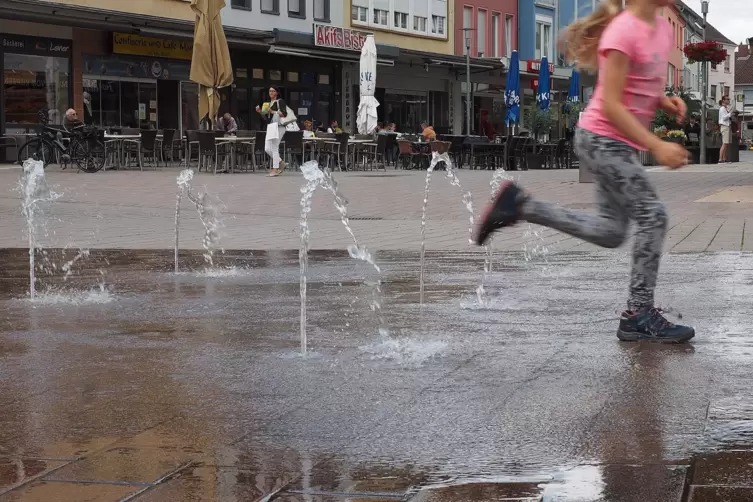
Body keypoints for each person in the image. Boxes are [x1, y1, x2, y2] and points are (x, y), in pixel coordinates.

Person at [475, 0, 695, 343]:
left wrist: (663, 99)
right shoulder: (624, 31)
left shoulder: (661, 28)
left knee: (611, 232)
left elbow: (637, 82)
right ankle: (638, 313)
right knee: (654, 217)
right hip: (602, 140)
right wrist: (656, 145)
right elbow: (610, 102)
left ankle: (521, 205)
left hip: (614, 143)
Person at [256, 87, 293, 177]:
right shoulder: (269, 103)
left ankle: (275, 169)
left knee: (274, 147)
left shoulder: (280, 101)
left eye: (273, 91)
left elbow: (284, 114)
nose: (271, 92)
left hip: (279, 126)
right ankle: (281, 162)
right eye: (270, 91)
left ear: (277, 93)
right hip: (271, 126)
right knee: (267, 148)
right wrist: (260, 112)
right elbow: (267, 119)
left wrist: (272, 111)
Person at [718, 96, 732, 164]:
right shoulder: (722, 108)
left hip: (727, 126)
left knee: (726, 143)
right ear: (723, 100)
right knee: (724, 143)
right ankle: (720, 159)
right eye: (727, 99)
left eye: (728, 99)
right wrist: (730, 114)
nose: (728, 100)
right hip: (724, 126)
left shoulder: (726, 108)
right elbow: (724, 118)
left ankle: (724, 159)